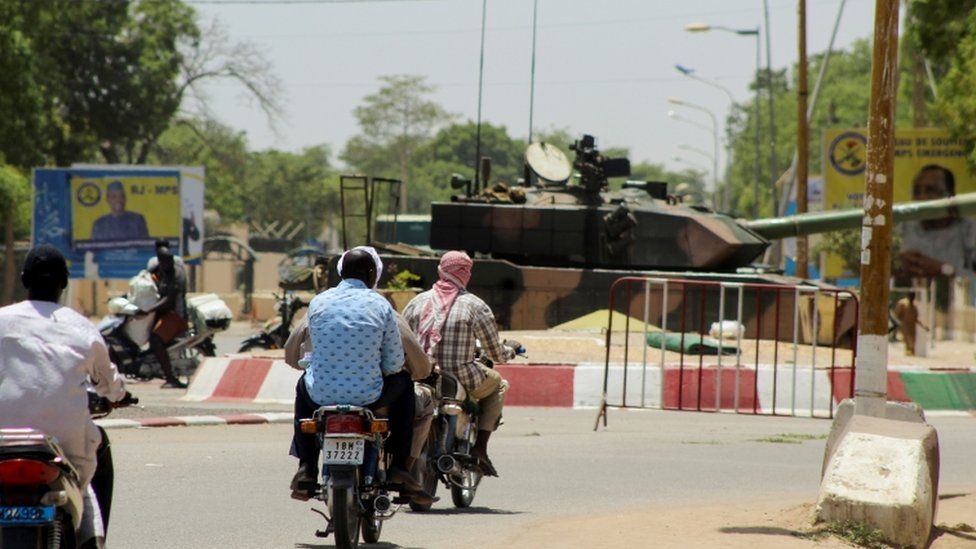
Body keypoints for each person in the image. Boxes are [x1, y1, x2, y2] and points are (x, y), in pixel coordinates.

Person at [0, 245, 133, 544]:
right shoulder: (81, 328)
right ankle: (92, 538)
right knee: (87, 480)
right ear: (63, 283)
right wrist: (119, 394)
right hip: (63, 441)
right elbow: (109, 383)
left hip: (3, 438)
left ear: (24, 279)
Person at [284, 275, 434, 504]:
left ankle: (306, 466)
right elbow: (395, 364)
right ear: (374, 275)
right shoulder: (382, 306)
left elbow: (292, 354)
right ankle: (399, 467)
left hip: (320, 396)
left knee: (303, 383)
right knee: (404, 382)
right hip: (369, 396)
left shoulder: (319, 303)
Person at [402, 251, 516, 477]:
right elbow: (495, 353)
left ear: (440, 270)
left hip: (419, 375)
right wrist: (510, 350)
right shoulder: (475, 306)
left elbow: (400, 338)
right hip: (460, 377)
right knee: (498, 385)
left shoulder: (417, 302)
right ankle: (481, 448)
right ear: (466, 274)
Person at [899, 165, 976, 280]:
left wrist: (944, 270)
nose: (922, 197)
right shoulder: (902, 229)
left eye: (930, 190)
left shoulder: (970, 230)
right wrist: (897, 265)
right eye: (917, 191)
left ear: (950, 195)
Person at [139, 245, 189, 388]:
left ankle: (170, 378)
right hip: (164, 313)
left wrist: (148, 309)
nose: (168, 264)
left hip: (176, 316)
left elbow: (169, 300)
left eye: (169, 261)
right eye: (164, 261)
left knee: (155, 340)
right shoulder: (161, 270)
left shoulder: (176, 274)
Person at [894, 291, 927, 356]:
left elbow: (916, 318)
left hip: (912, 326)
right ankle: (908, 354)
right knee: (906, 341)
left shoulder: (914, 305)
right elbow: (898, 314)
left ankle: (912, 354)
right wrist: (900, 323)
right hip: (905, 326)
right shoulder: (902, 304)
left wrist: (923, 326)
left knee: (913, 341)